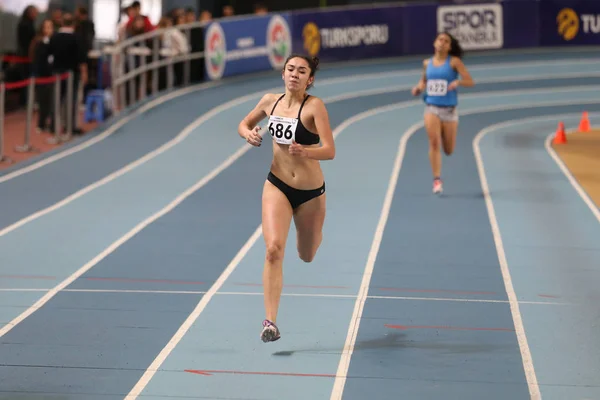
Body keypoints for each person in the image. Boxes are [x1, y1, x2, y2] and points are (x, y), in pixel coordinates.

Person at [237, 54, 335, 343]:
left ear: (310, 79)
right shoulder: (270, 102)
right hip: (277, 184)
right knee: (273, 249)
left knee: (306, 254)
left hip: (310, 194)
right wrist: (248, 134)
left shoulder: (314, 107)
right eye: (290, 69)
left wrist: (307, 151)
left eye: (301, 71)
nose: (294, 74)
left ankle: (312, 235)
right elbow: (243, 123)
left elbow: (330, 150)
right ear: (283, 74)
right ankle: (270, 322)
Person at [411, 32, 474, 194]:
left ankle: (440, 170)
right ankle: (437, 180)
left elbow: (470, 81)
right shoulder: (427, 63)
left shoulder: (454, 62)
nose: (442, 43)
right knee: (433, 142)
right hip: (432, 107)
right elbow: (424, 80)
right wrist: (418, 88)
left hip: (450, 111)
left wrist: (458, 81)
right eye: (440, 39)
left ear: (449, 47)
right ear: (434, 43)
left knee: (448, 150)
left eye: (446, 41)